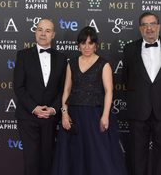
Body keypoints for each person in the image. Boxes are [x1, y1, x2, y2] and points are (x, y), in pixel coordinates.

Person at [51, 26, 128, 175]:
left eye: (90, 43)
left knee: (98, 154)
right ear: (78, 45)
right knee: (73, 155)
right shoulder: (71, 63)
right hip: (74, 115)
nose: (87, 47)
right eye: (83, 43)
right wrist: (65, 114)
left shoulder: (103, 64)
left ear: (96, 45)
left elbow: (109, 91)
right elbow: (66, 90)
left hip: (95, 114)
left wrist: (105, 116)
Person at [123, 12, 161, 175]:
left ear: (159, 26)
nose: (149, 28)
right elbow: (126, 79)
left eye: (152, 24)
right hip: (138, 110)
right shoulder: (129, 49)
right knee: (136, 155)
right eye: (145, 25)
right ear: (140, 28)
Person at [13, 19, 67, 175]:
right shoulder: (22, 55)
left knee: (48, 160)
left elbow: (63, 89)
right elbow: (19, 86)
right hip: (27, 117)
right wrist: (34, 108)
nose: (43, 33)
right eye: (40, 29)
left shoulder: (62, 58)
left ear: (53, 35)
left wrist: (53, 109)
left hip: (50, 118)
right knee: (31, 161)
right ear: (35, 32)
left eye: (48, 30)